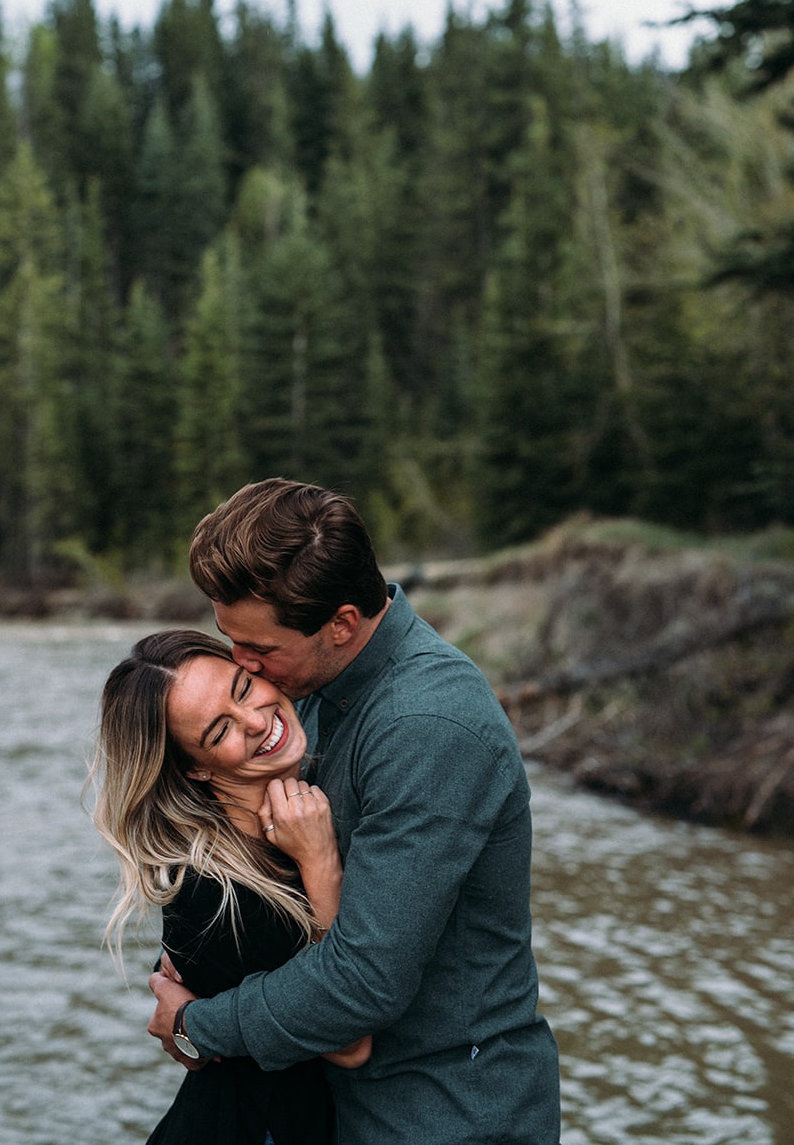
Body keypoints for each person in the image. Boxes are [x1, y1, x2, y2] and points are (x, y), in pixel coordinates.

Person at [148, 478, 562, 1145]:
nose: (244, 666)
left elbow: (364, 984)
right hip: (344, 1110)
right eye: (232, 643)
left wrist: (201, 1023)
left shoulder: (428, 726)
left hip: (444, 1116)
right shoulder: (306, 686)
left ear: (341, 624)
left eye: (260, 650)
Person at [90, 628, 370, 1145]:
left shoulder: (298, 801)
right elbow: (349, 1039)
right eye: (220, 732)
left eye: (243, 688)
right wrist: (321, 863)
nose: (258, 721)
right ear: (195, 768)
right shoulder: (214, 895)